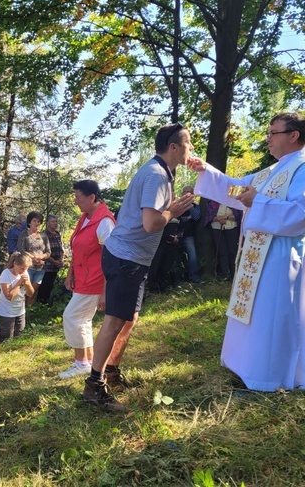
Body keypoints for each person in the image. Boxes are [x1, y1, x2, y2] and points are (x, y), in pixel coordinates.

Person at [189, 112, 305, 393]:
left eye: (273, 133)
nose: (267, 138)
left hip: (284, 252)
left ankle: (272, 376)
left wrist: (261, 200)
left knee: (276, 310)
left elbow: (303, 214)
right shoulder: (275, 169)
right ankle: (249, 366)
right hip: (261, 252)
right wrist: (205, 170)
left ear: (293, 136)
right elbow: (239, 186)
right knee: (256, 309)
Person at [83, 123, 196, 411]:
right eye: (189, 143)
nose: (191, 149)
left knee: (128, 318)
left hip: (131, 258)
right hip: (126, 259)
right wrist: (174, 211)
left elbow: (155, 211)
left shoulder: (160, 173)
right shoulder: (157, 175)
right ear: (174, 147)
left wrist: (174, 205)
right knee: (114, 321)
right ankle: (94, 386)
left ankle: (111, 371)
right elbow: (151, 223)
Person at [58, 180, 115, 379]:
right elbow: (77, 247)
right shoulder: (85, 217)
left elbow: (112, 258)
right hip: (83, 277)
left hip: (96, 281)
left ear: (92, 198)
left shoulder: (104, 222)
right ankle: (87, 361)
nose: (75, 202)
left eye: (78, 197)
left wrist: (105, 292)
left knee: (72, 316)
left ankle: (81, 362)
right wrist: (71, 273)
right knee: (82, 319)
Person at [0, 252, 34, 340]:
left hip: (20, 311)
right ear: (15, 264)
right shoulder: (5, 275)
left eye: (26, 268)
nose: (24, 271)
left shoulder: (25, 273)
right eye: (22, 268)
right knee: (6, 339)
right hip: (7, 312)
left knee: (19, 338)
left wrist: (27, 284)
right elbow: (9, 297)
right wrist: (19, 283)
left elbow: (30, 294)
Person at [17, 211, 51, 305]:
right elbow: (21, 250)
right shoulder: (24, 235)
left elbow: (48, 252)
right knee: (24, 292)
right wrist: (34, 258)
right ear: (29, 222)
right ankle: (20, 312)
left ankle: (29, 313)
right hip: (27, 268)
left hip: (40, 269)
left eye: (39, 221)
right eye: (34, 221)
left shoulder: (44, 236)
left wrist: (41, 257)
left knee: (32, 293)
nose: (37, 223)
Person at [205, 199, 243, 280]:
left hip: (232, 227)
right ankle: (225, 274)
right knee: (222, 251)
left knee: (233, 251)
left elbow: (238, 215)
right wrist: (219, 219)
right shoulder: (213, 201)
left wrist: (227, 217)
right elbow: (209, 216)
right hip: (217, 227)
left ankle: (234, 274)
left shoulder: (234, 201)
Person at [37, 215, 64, 304]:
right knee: (44, 286)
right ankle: (40, 305)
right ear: (47, 223)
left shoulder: (57, 234)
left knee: (50, 286)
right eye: (53, 221)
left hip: (55, 266)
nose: (55, 223)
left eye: (56, 221)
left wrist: (60, 259)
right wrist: (54, 261)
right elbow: (44, 252)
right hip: (46, 266)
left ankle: (47, 304)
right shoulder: (43, 235)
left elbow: (60, 248)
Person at [178, 186, 201, 283]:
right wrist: (187, 218)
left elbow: (196, 217)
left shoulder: (195, 206)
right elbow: (177, 219)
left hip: (188, 236)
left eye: (190, 192)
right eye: (185, 192)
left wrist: (189, 205)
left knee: (192, 256)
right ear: (182, 194)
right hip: (175, 234)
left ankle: (194, 278)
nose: (187, 194)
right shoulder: (177, 205)